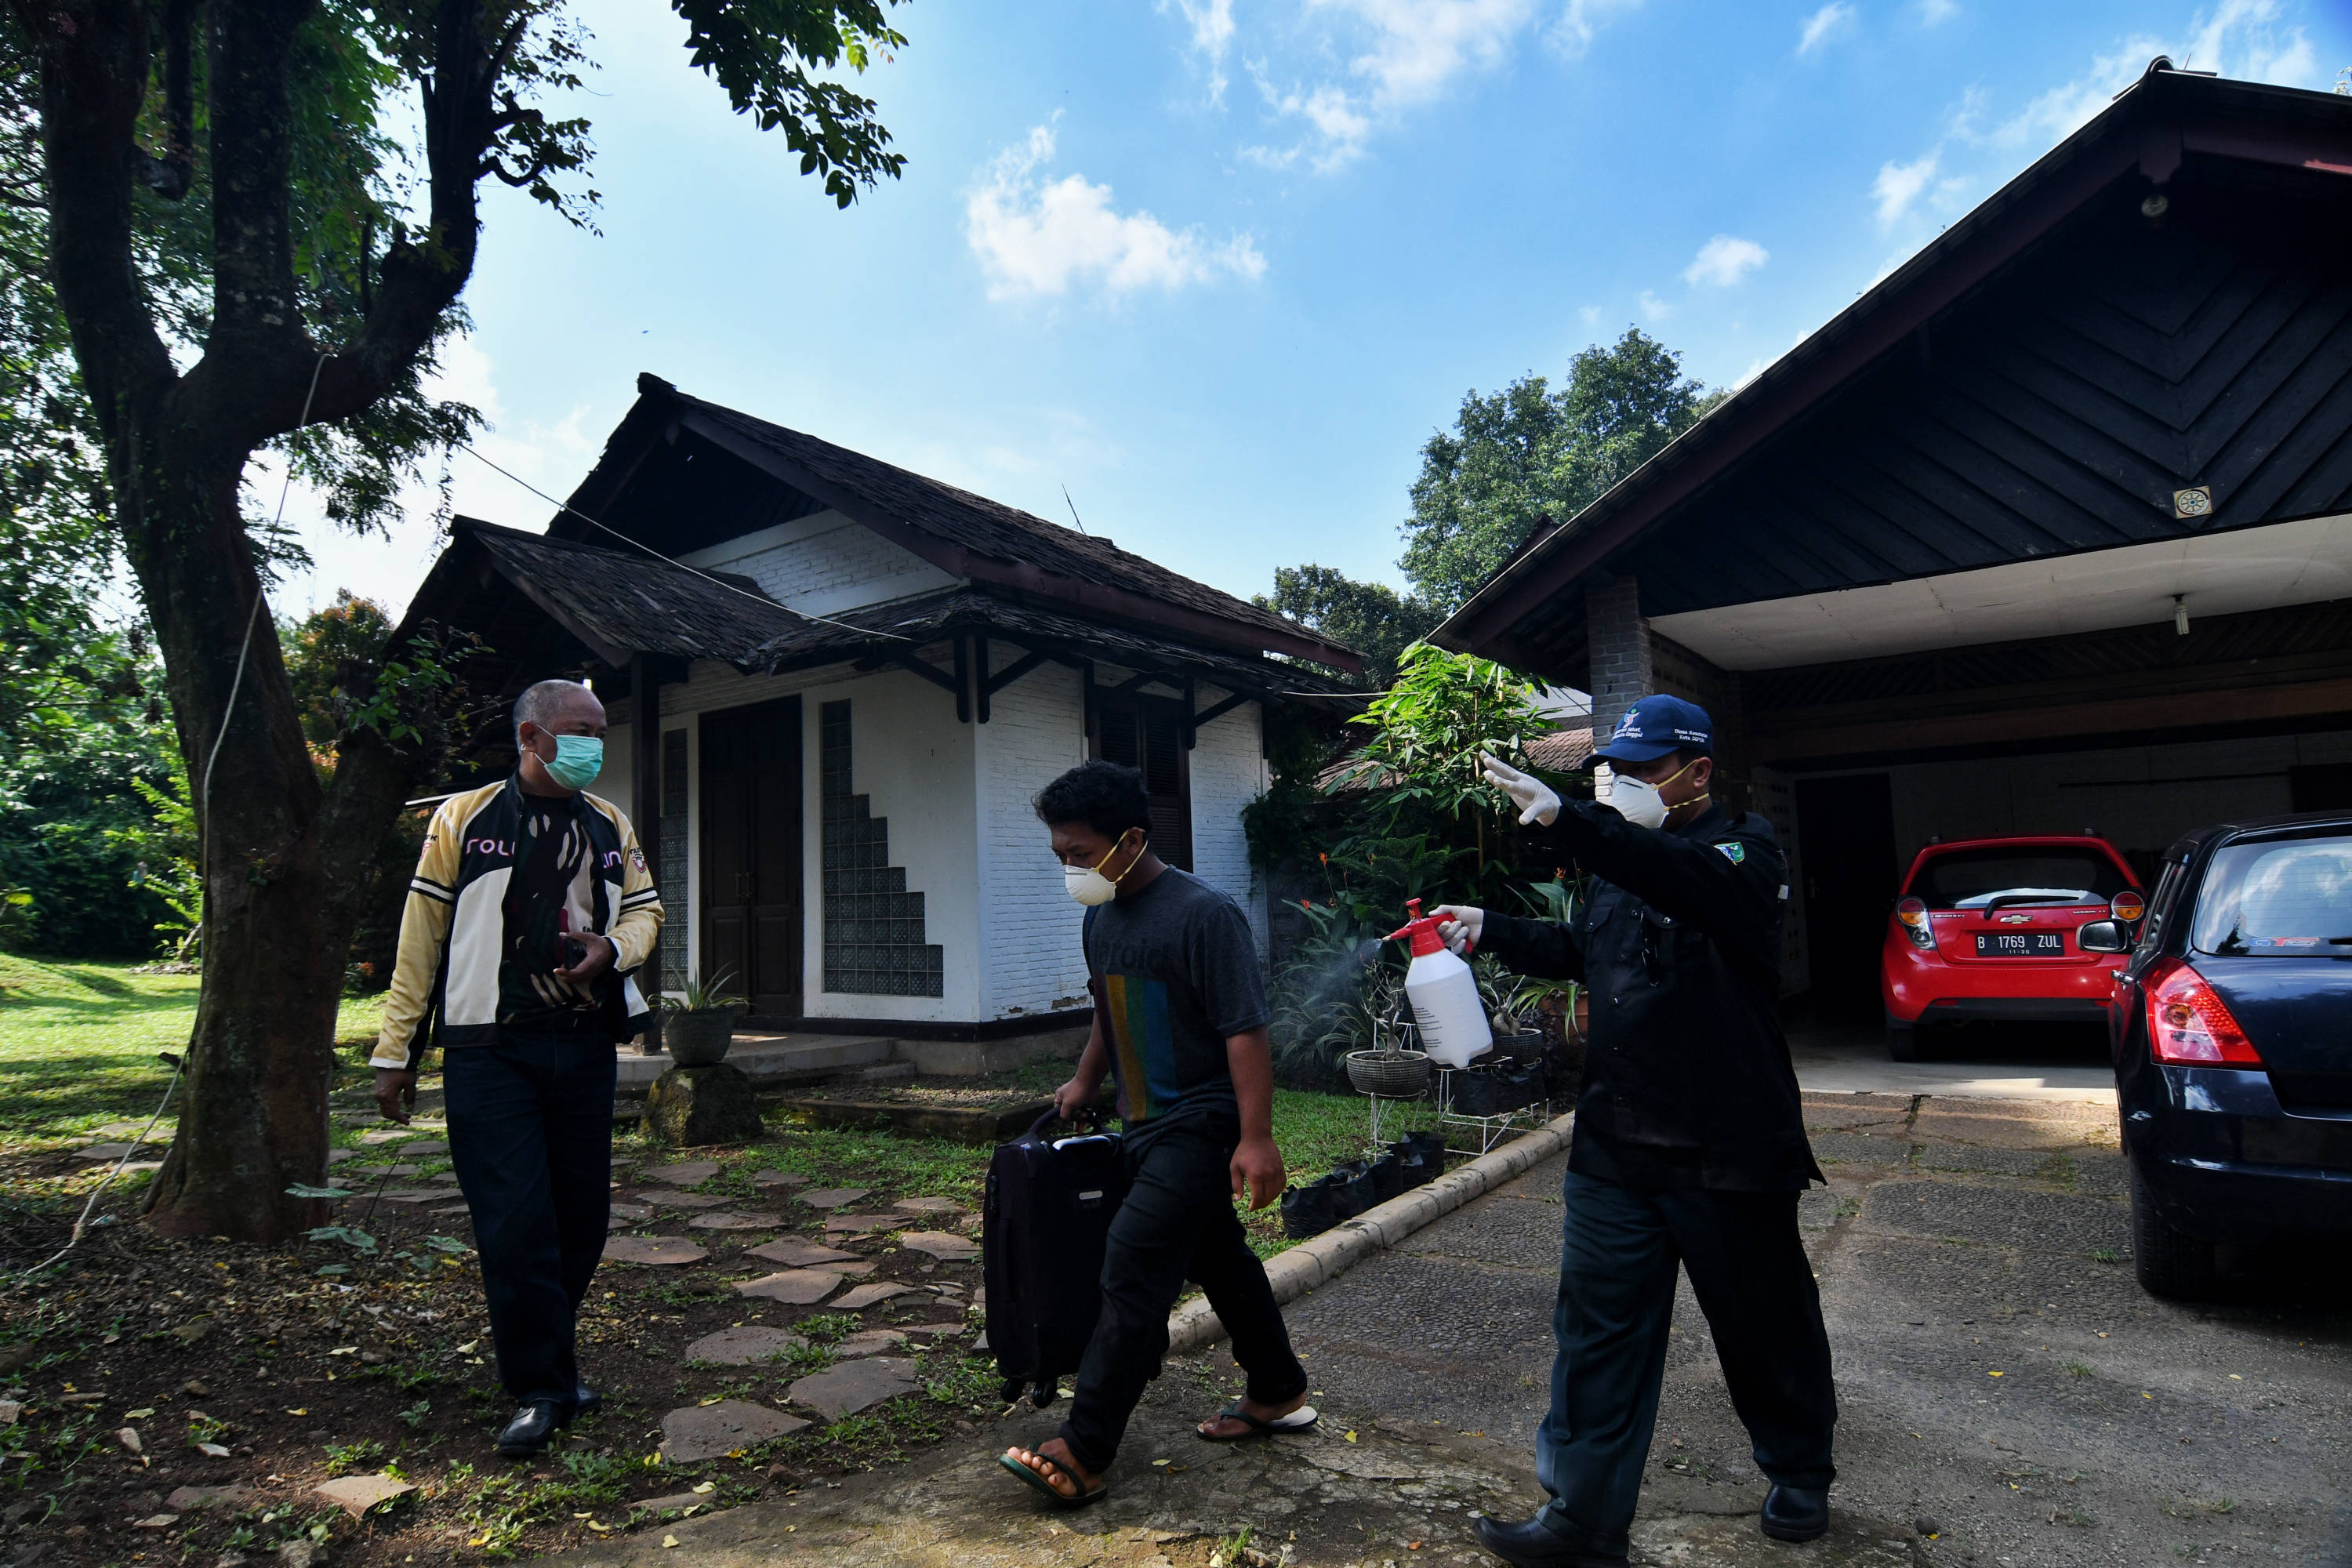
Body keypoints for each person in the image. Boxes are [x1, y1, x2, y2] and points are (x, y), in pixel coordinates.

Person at [1433, 695, 1835, 1568]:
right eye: (1614, 766)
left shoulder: (1744, 851)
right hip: (1617, 1140)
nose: (1623, 780)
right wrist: (1490, 927)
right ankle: (1581, 1518)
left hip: (1728, 1145)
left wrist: (1573, 821)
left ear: (1697, 773)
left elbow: (1677, 877)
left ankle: (1799, 1462)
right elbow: (1590, 946)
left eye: (1646, 767)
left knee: (1764, 1322)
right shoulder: (1620, 858)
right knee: (1597, 1333)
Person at [1000, 760, 1314, 1508]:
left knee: (1133, 1265)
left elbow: (1246, 1031)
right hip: (1141, 1125)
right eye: (1061, 857)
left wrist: (1257, 1137)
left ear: (1131, 840)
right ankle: (1277, 1389)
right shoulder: (1098, 916)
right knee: (1223, 1261)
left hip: (1201, 1120)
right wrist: (1084, 1080)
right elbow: (1108, 1013)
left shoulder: (1204, 914)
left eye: (1080, 855)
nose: (1070, 870)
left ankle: (1085, 1447)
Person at [372, 678, 663, 1458]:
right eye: (579, 729)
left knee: (581, 1219)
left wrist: (614, 949)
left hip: (583, 1043)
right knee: (515, 1221)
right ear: (532, 736)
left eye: (601, 729)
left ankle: (550, 1361)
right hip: (488, 1048)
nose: (593, 743)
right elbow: (421, 936)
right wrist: (394, 1051)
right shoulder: (463, 817)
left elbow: (646, 909)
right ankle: (541, 1384)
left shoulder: (609, 823)